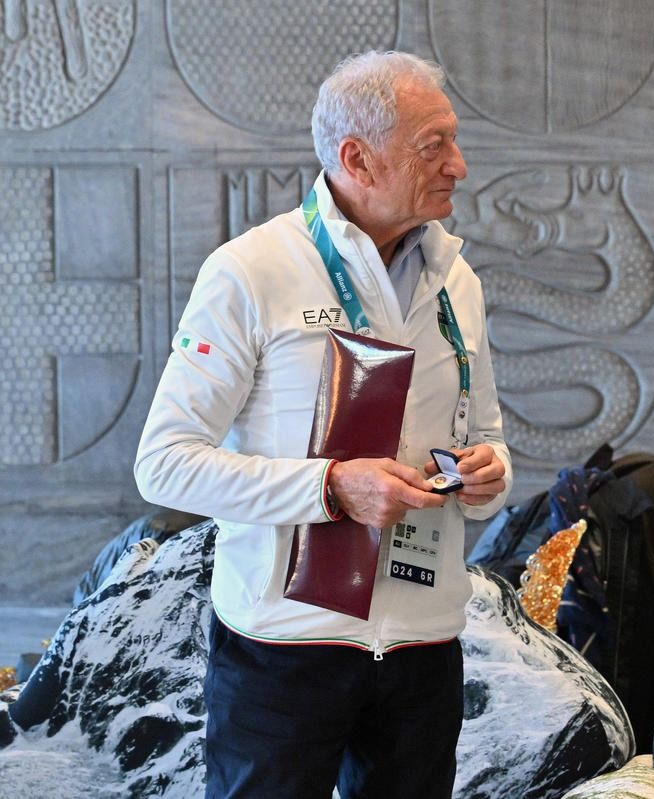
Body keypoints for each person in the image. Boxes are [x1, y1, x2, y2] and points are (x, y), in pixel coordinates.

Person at [135, 51, 511, 798]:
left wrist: (489, 473)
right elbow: (165, 464)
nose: (459, 166)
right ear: (357, 159)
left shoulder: (457, 280)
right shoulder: (251, 271)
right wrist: (332, 488)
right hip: (283, 647)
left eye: (454, 140)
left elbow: (489, 436)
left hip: (423, 643)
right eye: (433, 146)